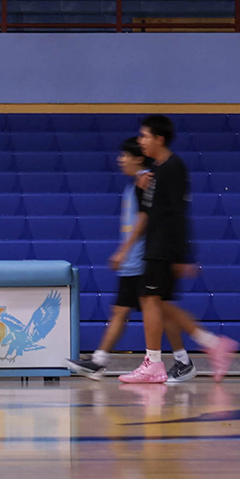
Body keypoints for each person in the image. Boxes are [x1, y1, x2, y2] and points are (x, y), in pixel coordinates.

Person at [118, 115, 238, 386]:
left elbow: (178, 213)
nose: (141, 141)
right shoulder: (156, 172)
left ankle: (153, 362)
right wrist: (141, 190)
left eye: (145, 136)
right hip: (156, 246)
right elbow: (149, 210)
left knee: (150, 300)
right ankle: (213, 345)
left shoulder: (173, 168)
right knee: (159, 303)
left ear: (159, 139)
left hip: (163, 247)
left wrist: (182, 255)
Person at [69, 138, 154, 377]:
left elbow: (143, 221)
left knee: (157, 312)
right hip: (133, 262)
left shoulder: (145, 181)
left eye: (125, 155)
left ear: (138, 157)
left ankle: (185, 355)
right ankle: (98, 360)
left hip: (141, 261)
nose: (120, 159)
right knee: (122, 310)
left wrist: (124, 251)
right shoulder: (133, 184)